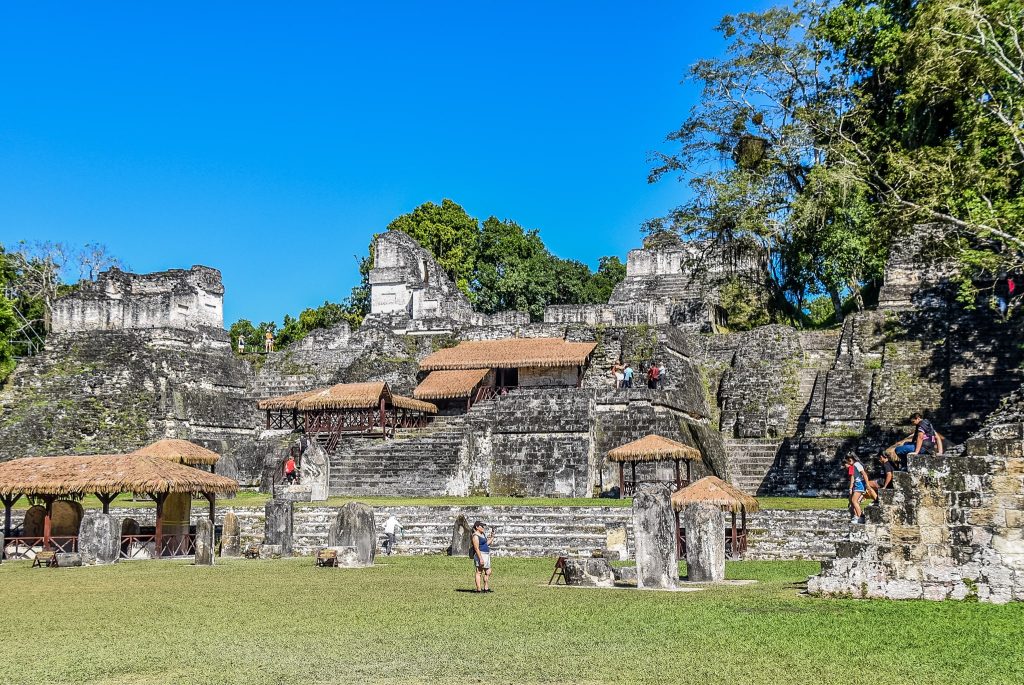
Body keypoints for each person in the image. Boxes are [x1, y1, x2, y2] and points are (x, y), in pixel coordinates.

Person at [845, 455, 874, 523]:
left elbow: (864, 474)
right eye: (848, 461)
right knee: (853, 501)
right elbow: (852, 476)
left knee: (854, 501)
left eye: (850, 460)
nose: (849, 462)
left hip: (860, 484)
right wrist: (851, 487)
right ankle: (858, 516)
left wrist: (867, 484)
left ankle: (860, 517)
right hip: (857, 484)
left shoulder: (857, 464)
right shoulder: (853, 466)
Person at [471, 520, 493, 593]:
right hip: (481, 554)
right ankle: (479, 589)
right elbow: (476, 548)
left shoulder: (482, 534)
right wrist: (480, 558)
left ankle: (485, 587)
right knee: (479, 572)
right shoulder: (475, 536)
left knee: (488, 571)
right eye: (481, 526)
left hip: (486, 554)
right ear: (477, 527)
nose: (483, 527)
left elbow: (486, 544)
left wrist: (492, 537)